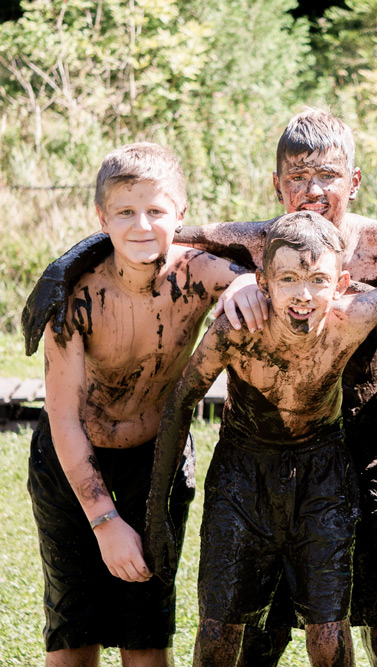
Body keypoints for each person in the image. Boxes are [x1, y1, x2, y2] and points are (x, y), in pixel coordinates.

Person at [20, 108, 377, 667]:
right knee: (260, 613)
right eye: (298, 178)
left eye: (328, 177)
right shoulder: (255, 245)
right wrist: (64, 266)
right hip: (257, 448)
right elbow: (151, 233)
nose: (313, 191)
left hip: (360, 439)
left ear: (353, 181)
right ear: (277, 185)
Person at [144, 211, 377, 667]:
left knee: (328, 629)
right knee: (219, 626)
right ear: (263, 282)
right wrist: (157, 513)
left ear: (342, 282)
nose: (304, 295)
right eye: (288, 279)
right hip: (243, 472)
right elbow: (180, 401)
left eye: (317, 279)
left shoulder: (352, 317)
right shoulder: (238, 327)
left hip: (323, 474)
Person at [27, 142, 249, 666]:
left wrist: (243, 286)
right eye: (125, 212)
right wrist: (104, 521)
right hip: (71, 462)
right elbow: (62, 415)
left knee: (146, 639)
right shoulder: (75, 296)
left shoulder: (197, 274)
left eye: (156, 210)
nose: (142, 225)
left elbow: (243, 278)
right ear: (101, 217)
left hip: (157, 461)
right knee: (73, 636)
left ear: (182, 213)